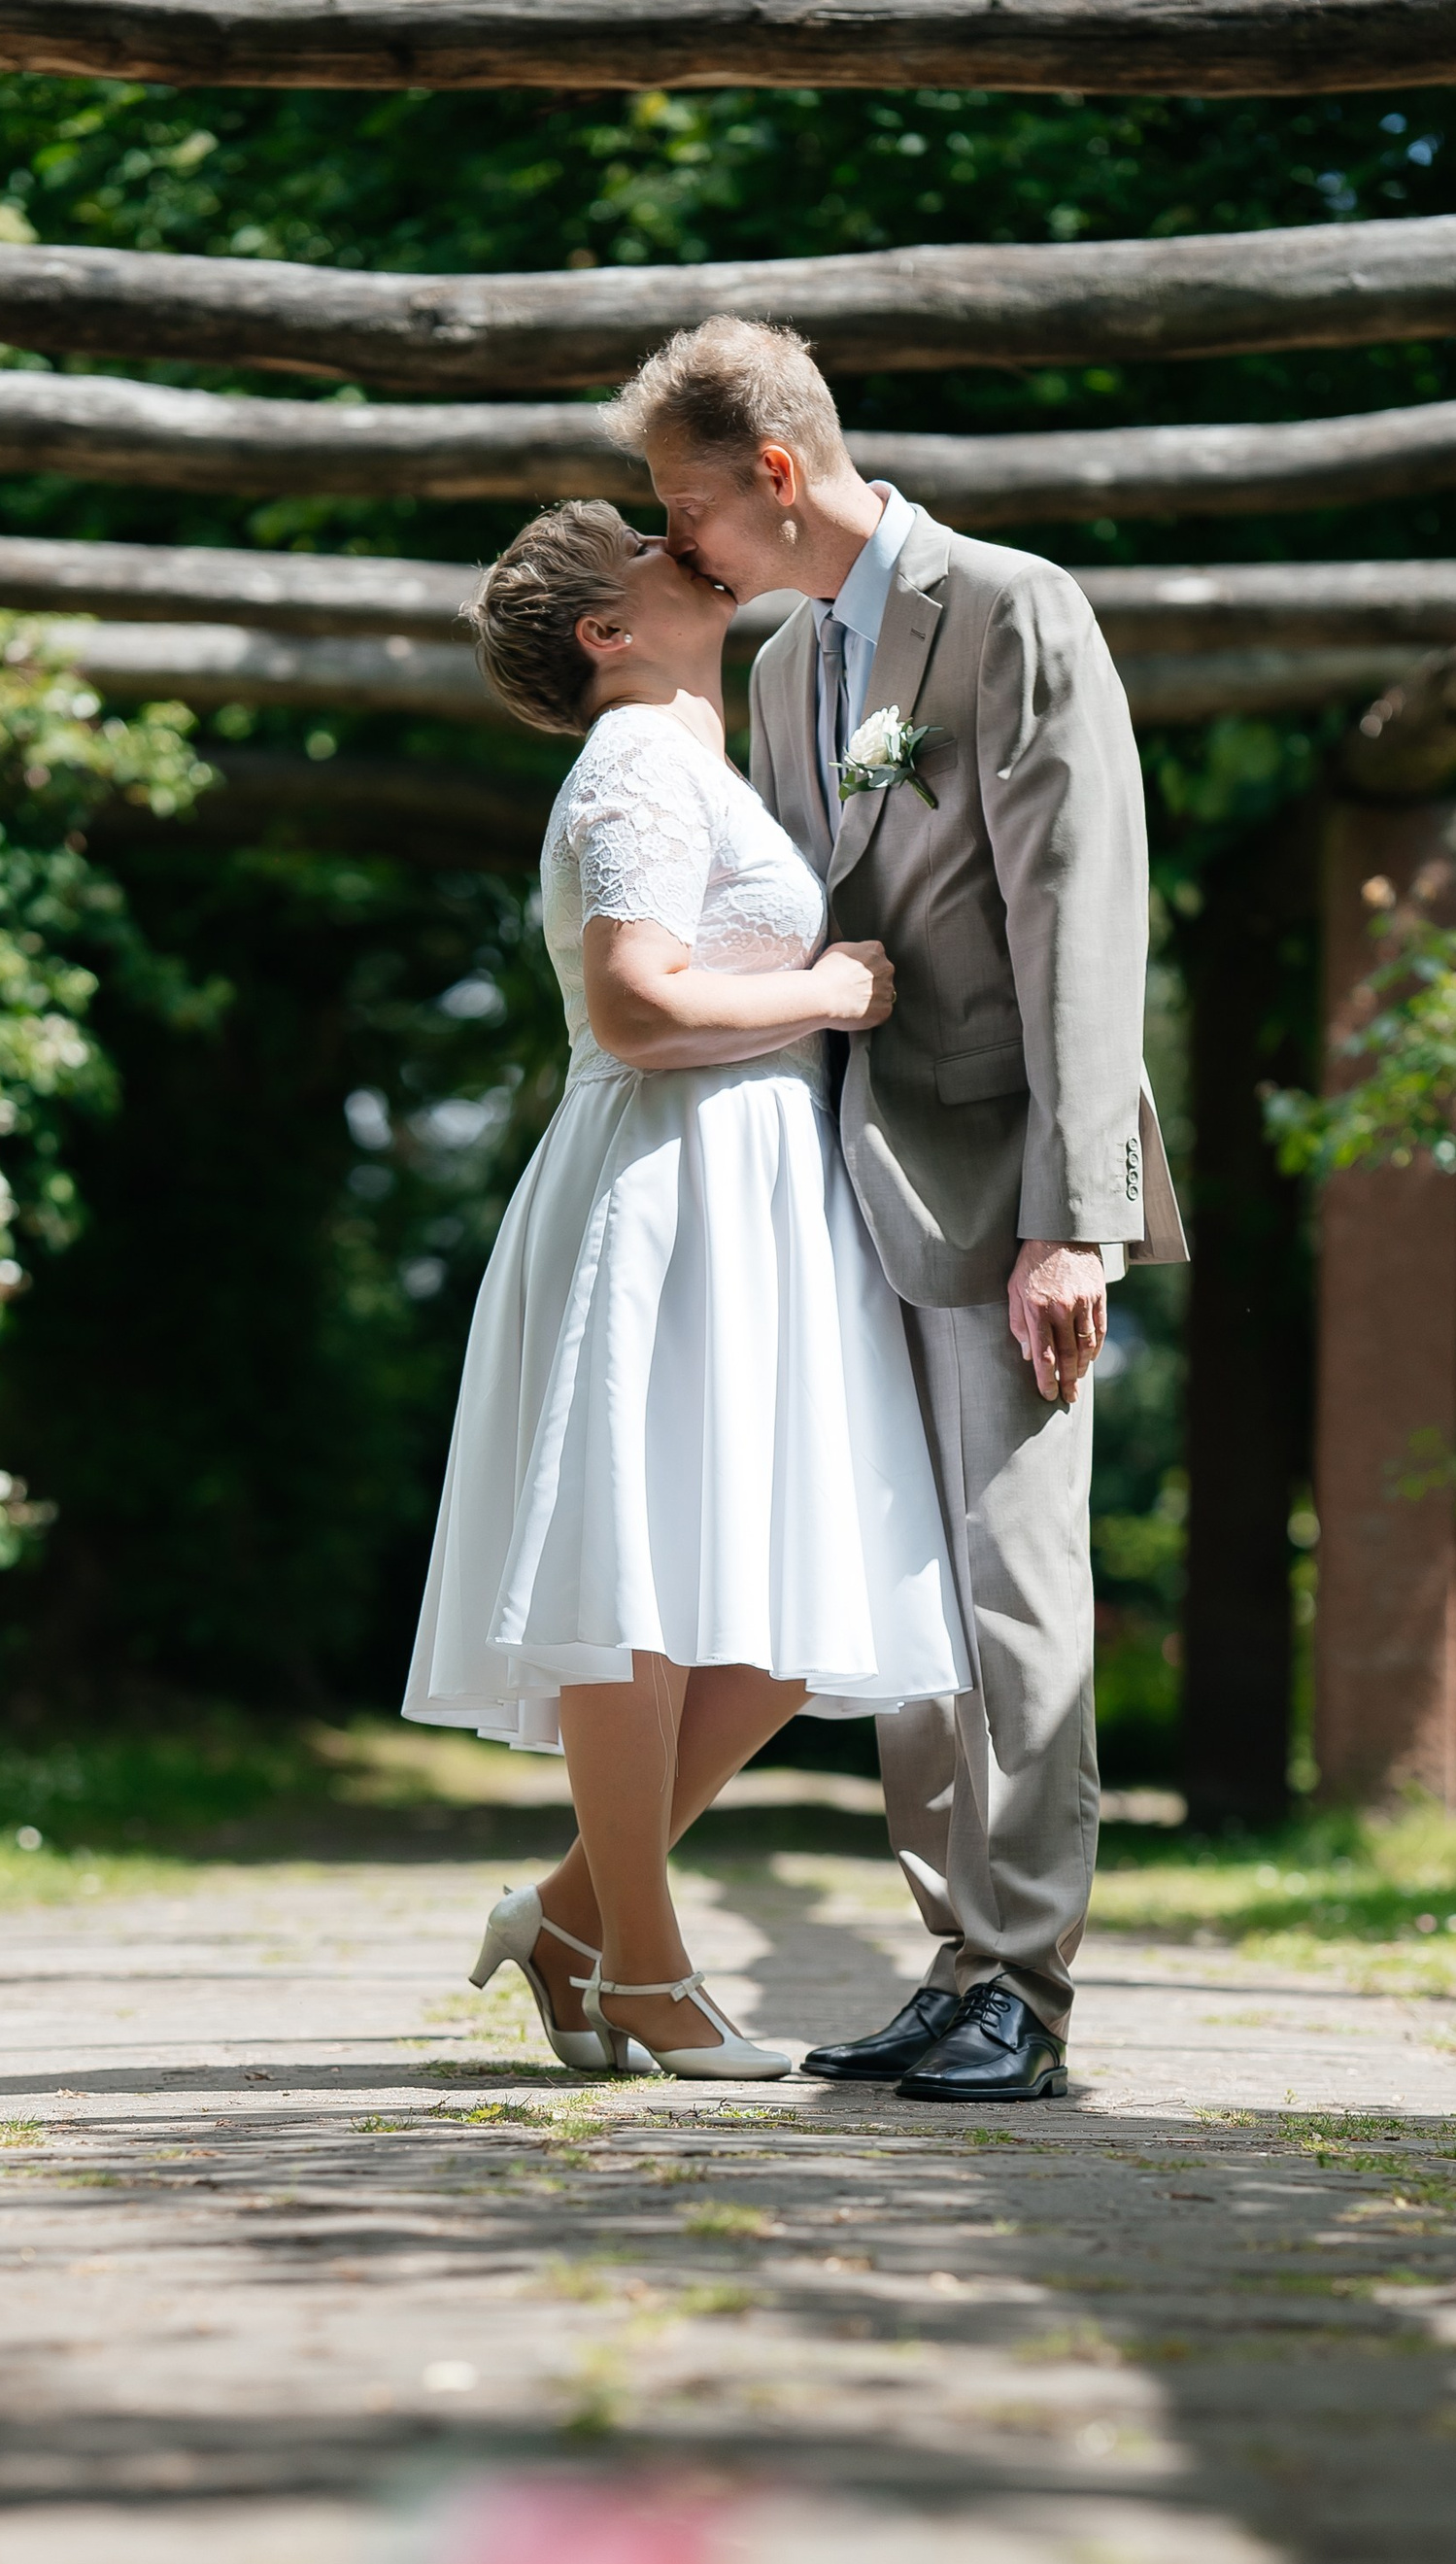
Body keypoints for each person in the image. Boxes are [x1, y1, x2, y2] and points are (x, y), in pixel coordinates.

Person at [607, 318, 1187, 2103]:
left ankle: (1028, 1984)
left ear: (776, 476)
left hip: (1006, 1179)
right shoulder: (788, 661)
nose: (677, 544)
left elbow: (1082, 920)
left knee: (1015, 1585)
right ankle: (956, 1963)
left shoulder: (1013, 609)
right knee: (915, 1603)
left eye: (686, 508)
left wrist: (1075, 1220)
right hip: (845, 1183)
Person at [402, 498, 969, 2080]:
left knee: (783, 1607)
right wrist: (830, 992)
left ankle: (572, 1918)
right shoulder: (638, 759)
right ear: (609, 632)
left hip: (746, 1185)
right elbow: (637, 1006)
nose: (683, 538)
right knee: (642, 1582)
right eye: (648, 548)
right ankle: (642, 1970)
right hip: (669, 1183)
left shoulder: (692, 757)